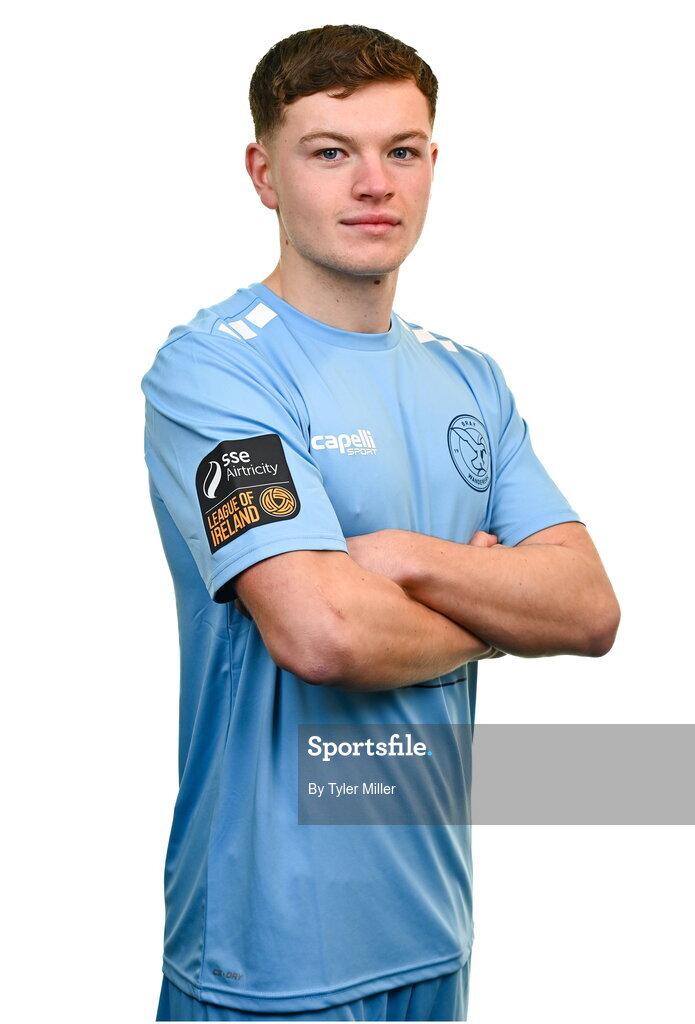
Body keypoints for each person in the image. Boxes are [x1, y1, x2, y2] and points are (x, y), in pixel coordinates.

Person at [142, 24, 620, 1023]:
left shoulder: (466, 379)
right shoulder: (216, 372)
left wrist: (398, 559)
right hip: (266, 955)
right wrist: (494, 606)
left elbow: (585, 610)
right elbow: (323, 633)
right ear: (262, 172)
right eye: (330, 152)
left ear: (430, 164)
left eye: (399, 150)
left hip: (431, 933)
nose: (373, 183)